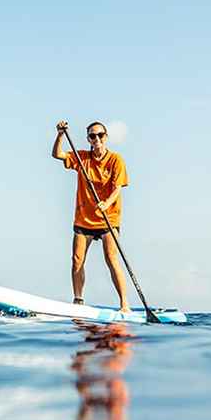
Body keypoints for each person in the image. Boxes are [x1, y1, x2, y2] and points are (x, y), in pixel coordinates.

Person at [52, 120, 130, 311]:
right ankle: (78, 300)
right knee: (77, 259)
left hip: (108, 218)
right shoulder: (82, 158)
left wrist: (107, 203)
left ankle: (124, 305)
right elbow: (57, 154)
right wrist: (61, 134)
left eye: (100, 135)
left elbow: (117, 188)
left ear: (106, 137)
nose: (97, 139)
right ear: (88, 139)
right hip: (84, 218)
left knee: (111, 259)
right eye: (92, 136)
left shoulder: (116, 160)